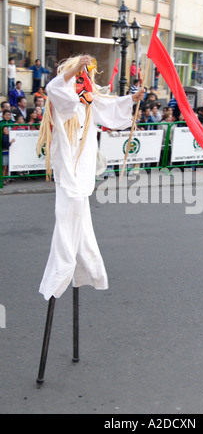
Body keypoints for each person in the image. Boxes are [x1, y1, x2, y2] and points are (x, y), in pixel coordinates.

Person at [36, 54, 144, 301]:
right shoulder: (65, 101)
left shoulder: (89, 103)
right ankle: (61, 272)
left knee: (80, 223)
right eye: (78, 78)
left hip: (82, 171)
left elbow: (109, 107)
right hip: (67, 169)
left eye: (85, 78)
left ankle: (86, 271)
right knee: (68, 218)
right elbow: (55, 87)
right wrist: (75, 68)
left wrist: (131, 99)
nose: (83, 82)